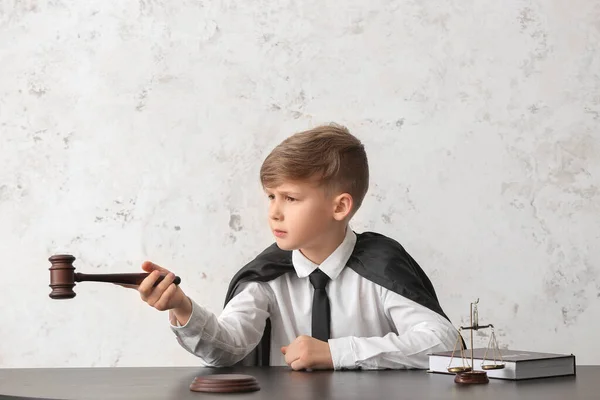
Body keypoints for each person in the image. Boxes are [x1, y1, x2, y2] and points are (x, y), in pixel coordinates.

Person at [131, 123, 459, 370]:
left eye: (291, 198)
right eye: (271, 196)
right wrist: (182, 308)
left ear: (340, 207)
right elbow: (229, 347)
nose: (274, 211)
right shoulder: (266, 277)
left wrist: (337, 353)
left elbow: (445, 343)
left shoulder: (382, 268)